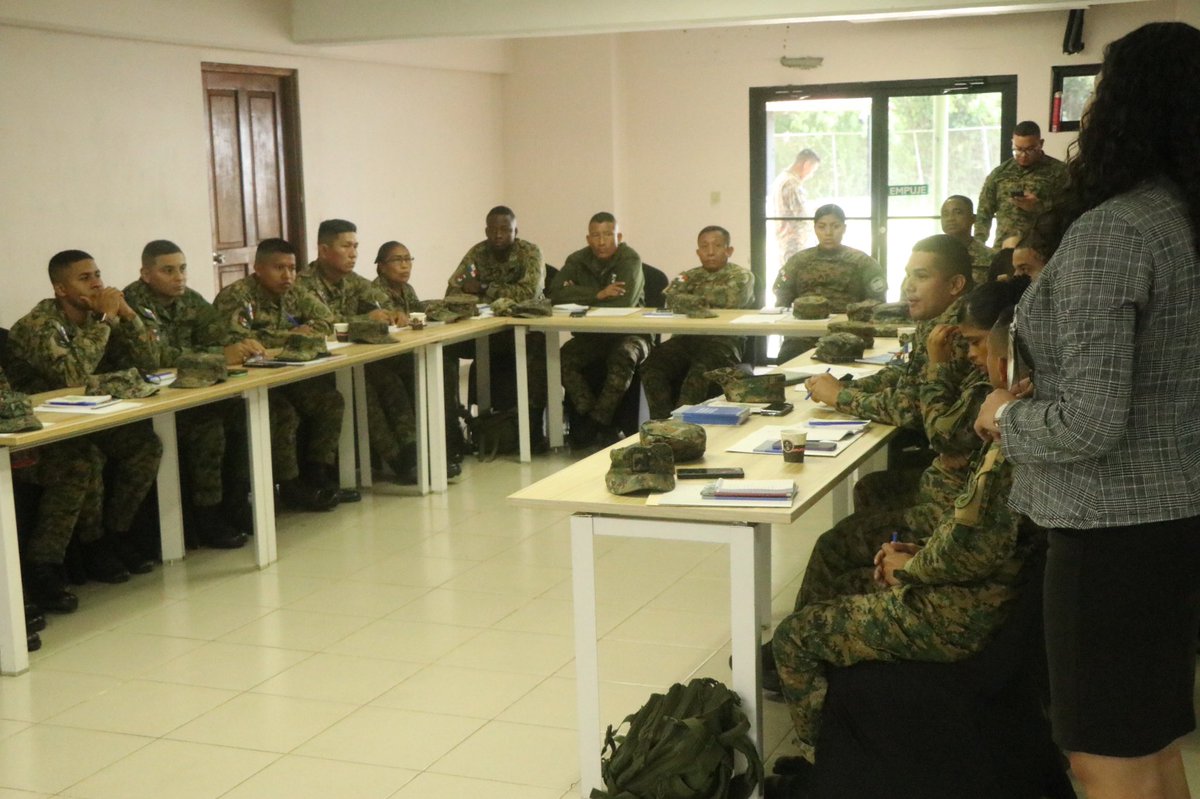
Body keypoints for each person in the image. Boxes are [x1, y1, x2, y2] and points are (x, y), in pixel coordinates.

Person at [975, 22, 1200, 799]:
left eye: (1102, 89)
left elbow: (1091, 423)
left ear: (1126, 105)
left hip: (1110, 538)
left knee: (1103, 759)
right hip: (1172, 523)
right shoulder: (1181, 220)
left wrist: (1004, 414)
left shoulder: (1117, 230)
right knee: (1153, 749)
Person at [772, 303, 1036, 771]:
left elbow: (974, 545)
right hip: (971, 584)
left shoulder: (1007, 441)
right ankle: (843, 726)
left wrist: (910, 566)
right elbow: (976, 539)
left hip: (962, 609)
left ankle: (821, 763)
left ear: (1008, 363)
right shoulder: (1023, 424)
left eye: (980, 348)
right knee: (837, 586)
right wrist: (921, 553)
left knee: (795, 635)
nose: (972, 356)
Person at [6, 250, 163, 577]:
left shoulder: (97, 317)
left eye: (97, 275)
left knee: (144, 445)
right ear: (61, 289)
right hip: (38, 428)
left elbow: (150, 362)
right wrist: (106, 321)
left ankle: (114, 535)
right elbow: (72, 376)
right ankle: (48, 565)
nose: (97, 284)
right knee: (83, 461)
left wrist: (127, 313)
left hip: (86, 418)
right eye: (85, 278)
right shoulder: (39, 324)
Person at [122, 240, 253, 548]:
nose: (179, 277)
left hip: (187, 393)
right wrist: (217, 355)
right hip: (144, 400)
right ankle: (207, 514)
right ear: (146, 273)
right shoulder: (131, 304)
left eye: (182, 269)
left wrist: (239, 346)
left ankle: (235, 503)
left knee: (241, 414)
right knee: (209, 429)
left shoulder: (191, 300)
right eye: (168, 270)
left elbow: (223, 336)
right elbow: (151, 357)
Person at [212, 238, 345, 511]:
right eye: (279, 268)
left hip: (284, 375)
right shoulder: (236, 296)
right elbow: (239, 342)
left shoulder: (293, 291)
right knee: (282, 412)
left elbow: (326, 320)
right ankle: (290, 485)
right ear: (258, 268)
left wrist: (288, 337)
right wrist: (290, 336)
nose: (287, 275)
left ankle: (317, 475)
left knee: (330, 400)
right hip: (245, 384)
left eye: (292, 267)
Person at [445, 206, 547, 450]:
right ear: (486, 230)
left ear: (516, 231)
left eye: (505, 230)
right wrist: (495, 296)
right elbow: (453, 293)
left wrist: (483, 288)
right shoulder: (477, 253)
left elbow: (528, 293)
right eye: (494, 230)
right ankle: (452, 432)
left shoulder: (530, 253)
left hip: (519, 331)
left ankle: (531, 431)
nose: (499, 235)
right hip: (482, 329)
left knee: (536, 344)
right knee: (443, 349)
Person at [549, 212, 649, 447]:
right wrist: (598, 293)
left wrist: (578, 293)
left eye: (607, 235)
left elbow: (622, 304)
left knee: (622, 355)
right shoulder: (577, 260)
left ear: (619, 236)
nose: (601, 241)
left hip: (631, 335)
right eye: (596, 235)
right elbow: (554, 294)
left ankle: (598, 424)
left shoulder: (629, 259)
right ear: (588, 238)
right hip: (592, 335)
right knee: (564, 357)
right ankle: (586, 413)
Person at [369, 239, 465, 478]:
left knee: (445, 363)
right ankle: (425, 451)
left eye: (408, 259)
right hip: (383, 357)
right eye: (397, 260)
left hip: (405, 351)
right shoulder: (375, 292)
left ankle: (447, 440)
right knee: (430, 370)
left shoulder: (406, 289)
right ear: (381, 266)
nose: (405, 266)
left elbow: (415, 317)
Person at [640, 226, 755, 419]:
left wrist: (690, 300)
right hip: (686, 339)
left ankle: (681, 427)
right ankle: (660, 423)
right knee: (652, 365)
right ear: (697, 252)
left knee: (698, 373)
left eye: (717, 246)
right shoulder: (688, 275)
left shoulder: (741, 276)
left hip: (723, 342)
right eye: (704, 246)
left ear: (729, 250)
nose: (710, 252)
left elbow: (731, 299)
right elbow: (670, 298)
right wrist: (694, 302)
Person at [773, 204, 885, 362]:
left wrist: (854, 316)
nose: (828, 233)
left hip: (847, 333)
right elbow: (782, 294)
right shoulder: (799, 261)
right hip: (803, 332)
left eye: (835, 226)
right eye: (822, 227)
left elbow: (877, 300)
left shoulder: (862, 262)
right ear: (815, 229)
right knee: (788, 362)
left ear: (844, 228)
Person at [973, 120, 1068, 247]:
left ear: (1041, 144)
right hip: (1004, 248)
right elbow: (983, 213)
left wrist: (1039, 206)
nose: (1023, 155)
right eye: (1018, 149)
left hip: (1041, 249)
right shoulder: (1000, 173)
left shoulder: (1060, 172)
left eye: (1030, 150)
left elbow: (1070, 210)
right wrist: (978, 246)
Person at [772, 148, 821, 264]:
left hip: (785, 241)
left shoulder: (781, 179)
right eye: (813, 170)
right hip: (794, 244)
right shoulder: (791, 183)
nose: (811, 175)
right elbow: (801, 215)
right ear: (807, 165)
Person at [940, 195, 995, 286]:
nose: (950, 218)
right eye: (945, 214)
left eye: (958, 212)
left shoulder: (991, 257)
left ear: (973, 218)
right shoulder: (929, 255)